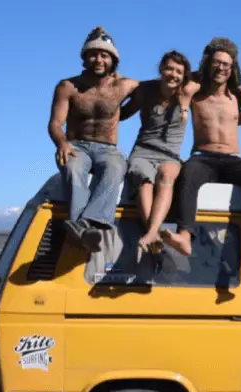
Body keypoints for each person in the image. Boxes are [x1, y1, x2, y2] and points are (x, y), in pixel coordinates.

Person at [162, 38, 241, 260]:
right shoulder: (196, 92)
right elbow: (178, 84)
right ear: (208, 64)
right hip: (202, 156)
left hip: (232, 158)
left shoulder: (237, 97)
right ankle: (184, 236)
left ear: (232, 69)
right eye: (216, 63)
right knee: (187, 175)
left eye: (226, 64)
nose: (221, 68)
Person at [47, 26, 139, 252]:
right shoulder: (68, 86)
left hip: (108, 148)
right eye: (93, 54)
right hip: (76, 145)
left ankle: (83, 225)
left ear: (113, 59)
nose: (99, 59)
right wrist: (62, 144)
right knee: (72, 168)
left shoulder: (125, 85)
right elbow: (55, 123)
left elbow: (162, 87)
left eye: (104, 55)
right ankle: (89, 230)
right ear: (85, 57)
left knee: (116, 168)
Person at [119, 50, 192, 254]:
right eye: (169, 68)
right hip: (143, 150)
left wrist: (185, 105)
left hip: (170, 155)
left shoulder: (187, 91)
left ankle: (151, 233)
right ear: (161, 69)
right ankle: (154, 232)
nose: (173, 74)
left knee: (167, 175)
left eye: (179, 71)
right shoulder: (145, 90)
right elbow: (123, 113)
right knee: (143, 177)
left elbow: (203, 81)